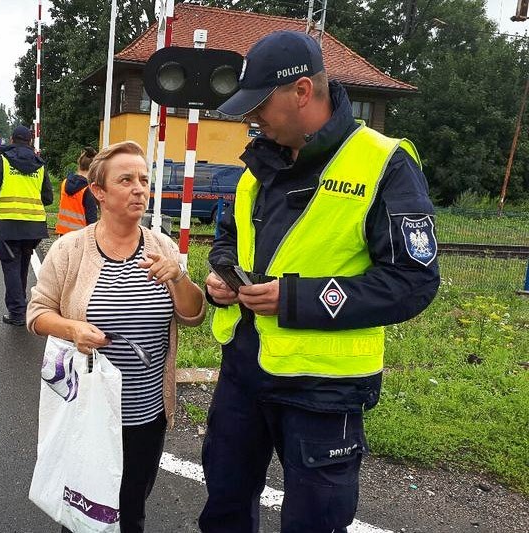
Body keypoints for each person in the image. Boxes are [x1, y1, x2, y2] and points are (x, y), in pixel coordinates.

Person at [198, 31, 440, 532]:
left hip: (323, 392)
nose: (252, 118)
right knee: (223, 508)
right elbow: (227, 239)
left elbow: (413, 282)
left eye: (260, 105)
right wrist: (219, 277)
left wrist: (295, 298)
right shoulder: (257, 164)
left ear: (303, 92)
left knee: (314, 523)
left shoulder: (382, 163)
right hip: (244, 372)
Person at [27, 140, 206, 532]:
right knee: (84, 512)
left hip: (146, 415)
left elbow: (193, 315)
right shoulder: (71, 249)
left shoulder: (162, 246)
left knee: (131, 511)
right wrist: (73, 328)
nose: (139, 188)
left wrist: (177, 276)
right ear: (99, 192)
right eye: (126, 180)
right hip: (88, 411)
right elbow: (37, 313)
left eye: (144, 179)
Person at [0, 125, 53, 326]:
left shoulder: (3, 161)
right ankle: (21, 303)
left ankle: (18, 312)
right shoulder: (40, 164)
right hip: (35, 225)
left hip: (10, 223)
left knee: (11, 265)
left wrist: (3, 197)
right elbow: (47, 197)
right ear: (30, 141)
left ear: (12, 139)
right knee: (22, 263)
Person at [55, 146, 99, 234]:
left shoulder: (65, 183)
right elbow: (91, 219)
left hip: (63, 232)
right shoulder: (88, 189)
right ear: (93, 169)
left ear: (79, 164)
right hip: (80, 235)